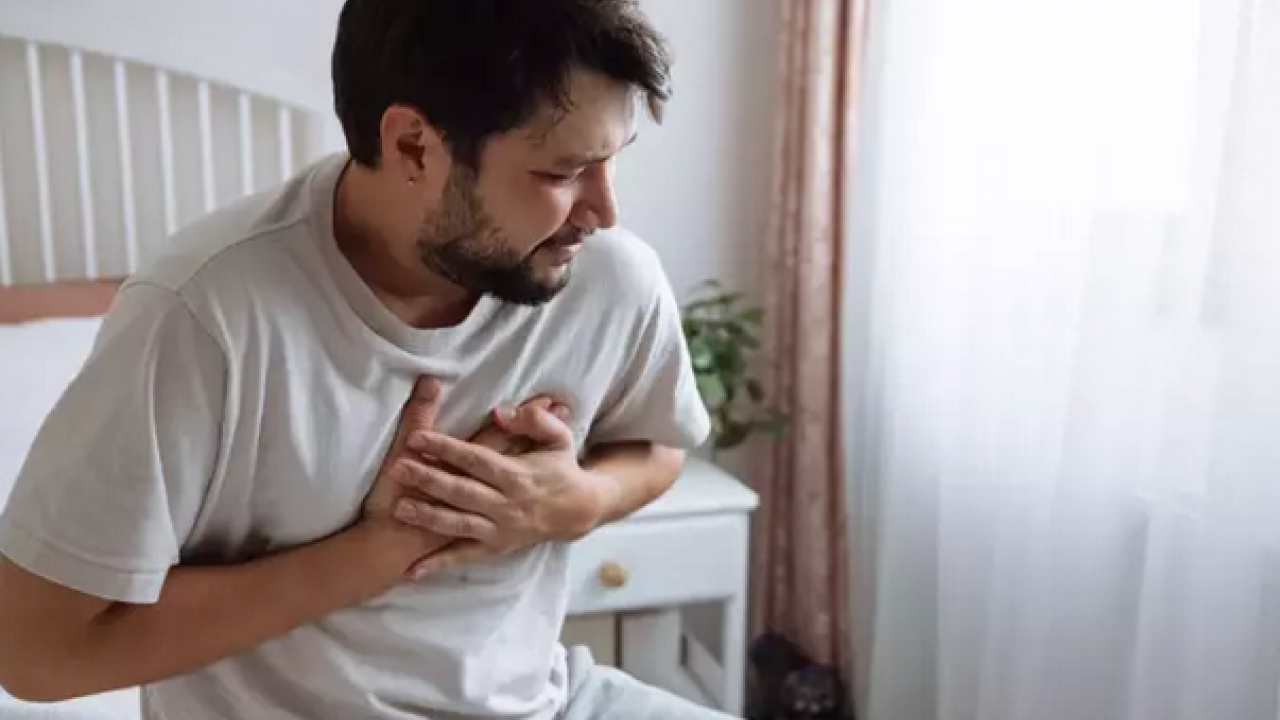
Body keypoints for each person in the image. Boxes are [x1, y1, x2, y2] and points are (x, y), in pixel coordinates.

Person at [0, 1, 736, 718]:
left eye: (611, 161)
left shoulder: (606, 277)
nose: (603, 211)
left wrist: (576, 502)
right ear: (413, 144)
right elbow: (34, 652)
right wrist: (381, 551)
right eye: (561, 173)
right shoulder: (203, 317)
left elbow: (657, 444)